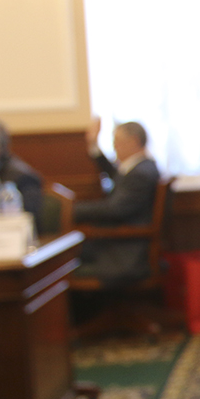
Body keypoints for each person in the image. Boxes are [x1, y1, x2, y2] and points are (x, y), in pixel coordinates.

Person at [73, 117, 160, 282]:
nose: (114, 147)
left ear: (134, 141)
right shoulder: (141, 167)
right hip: (123, 243)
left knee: (63, 259)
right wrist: (94, 145)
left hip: (124, 250)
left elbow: (115, 209)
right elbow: (117, 176)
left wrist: (72, 210)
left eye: (117, 141)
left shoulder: (140, 173)